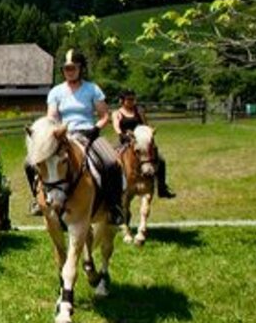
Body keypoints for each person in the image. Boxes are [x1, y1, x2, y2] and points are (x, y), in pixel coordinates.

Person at [24, 48, 123, 223]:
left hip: (89, 134)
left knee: (111, 162)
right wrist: (51, 132)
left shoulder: (92, 89)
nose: (69, 72)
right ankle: (37, 200)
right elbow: (52, 116)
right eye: (66, 68)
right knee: (29, 162)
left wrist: (96, 128)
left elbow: (105, 115)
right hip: (64, 135)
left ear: (81, 69)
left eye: (73, 68)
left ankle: (114, 207)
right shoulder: (56, 92)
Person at [112, 89, 176, 198]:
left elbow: (145, 125)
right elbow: (116, 127)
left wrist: (150, 130)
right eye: (129, 99)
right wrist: (123, 135)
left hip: (141, 141)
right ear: (122, 100)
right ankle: (113, 189)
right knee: (112, 162)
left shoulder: (139, 111)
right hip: (125, 140)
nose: (132, 101)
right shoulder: (117, 113)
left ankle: (162, 187)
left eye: (133, 99)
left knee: (161, 159)